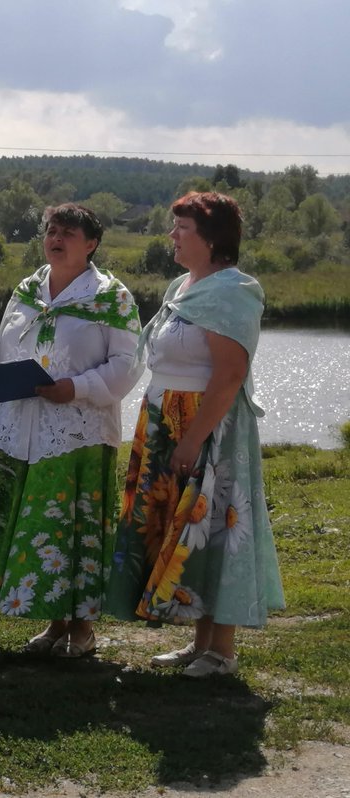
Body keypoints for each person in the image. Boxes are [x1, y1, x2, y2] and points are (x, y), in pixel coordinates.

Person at [106, 191, 284, 677]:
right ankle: (198, 641)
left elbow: (228, 376)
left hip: (208, 425)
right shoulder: (180, 287)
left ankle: (221, 650)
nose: (172, 235)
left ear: (211, 237)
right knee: (181, 528)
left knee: (212, 527)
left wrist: (191, 439)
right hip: (165, 417)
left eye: (182, 227)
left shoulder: (233, 290)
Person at [0, 203, 142, 657]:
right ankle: (55, 625)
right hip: (23, 429)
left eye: (68, 231)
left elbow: (129, 365)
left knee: (76, 530)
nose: (56, 237)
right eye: (51, 230)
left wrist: (77, 387)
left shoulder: (112, 297)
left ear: (91, 244)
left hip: (79, 434)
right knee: (41, 529)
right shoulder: (27, 290)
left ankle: (83, 630)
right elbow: (2, 355)